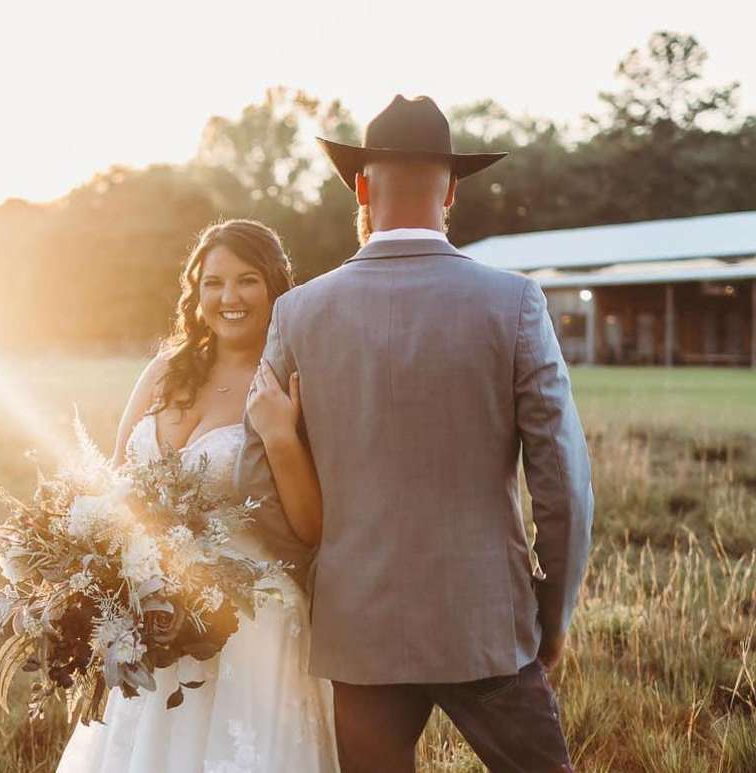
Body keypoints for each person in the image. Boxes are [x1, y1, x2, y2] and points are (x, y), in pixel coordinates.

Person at [235, 94, 594, 773]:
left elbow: (258, 483)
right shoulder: (513, 302)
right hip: (488, 623)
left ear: (362, 187)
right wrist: (554, 609)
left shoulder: (297, 313)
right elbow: (563, 481)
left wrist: (323, 585)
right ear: (452, 190)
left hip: (356, 626)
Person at [55, 218, 339, 772]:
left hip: (251, 622)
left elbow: (312, 528)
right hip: (153, 613)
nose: (228, 297)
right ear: (196, 290)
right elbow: (116, 484)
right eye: (213, 282)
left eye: (247, 280)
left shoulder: (293, 381)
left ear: (276, 286)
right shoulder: (166, 370)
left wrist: (280, 435)